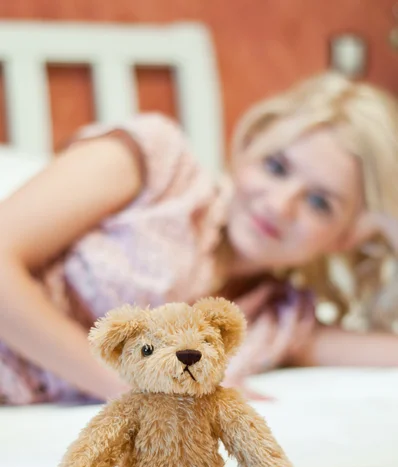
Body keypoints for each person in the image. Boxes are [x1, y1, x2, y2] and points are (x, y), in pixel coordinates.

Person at [1, 70, 398, 406]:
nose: (279, 205)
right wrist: (137, 383)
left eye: (318, 202)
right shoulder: (156, 164)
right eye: (275, 166)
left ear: (348, 236)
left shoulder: (281, 321)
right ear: (249, 144)